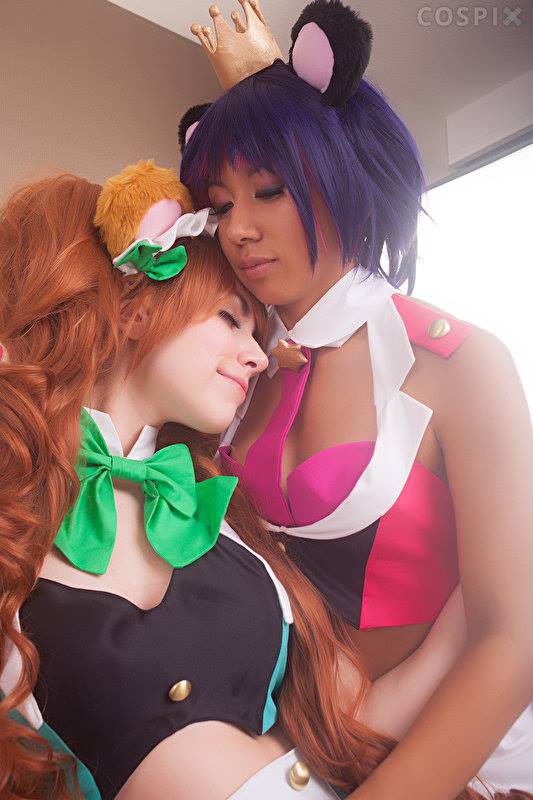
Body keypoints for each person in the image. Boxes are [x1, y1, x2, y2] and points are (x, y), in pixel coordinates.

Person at [0, 162, 486, 800]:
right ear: (133, 309)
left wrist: (484, 601)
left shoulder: (231, 530)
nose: (258, 357)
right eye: (231, 319)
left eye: (257, 333)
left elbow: (347, 723)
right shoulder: (14, 515)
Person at [179, 1, 533, 798]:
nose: (237, 229)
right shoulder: (236, 378)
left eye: (268, 190)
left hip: (470, 764)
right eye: (222, 203)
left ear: (347, 175)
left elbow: (513, 637)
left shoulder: (458, 365)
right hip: (307, 755)